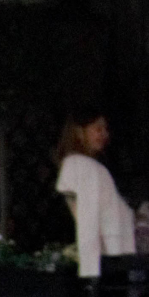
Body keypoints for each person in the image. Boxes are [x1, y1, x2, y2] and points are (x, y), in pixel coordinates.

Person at [53, 109, 136, 279]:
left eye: (105, 129)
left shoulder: (75, 164)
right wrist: (91, 270)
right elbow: (87, 219)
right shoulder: (85, 167)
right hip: (109, 255)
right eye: (98, 129)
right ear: (79, 132)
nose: (104, 135)